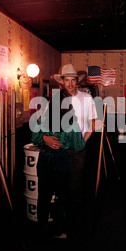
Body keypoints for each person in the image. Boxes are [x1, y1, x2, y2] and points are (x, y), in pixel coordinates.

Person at [32, 88, 86, 238]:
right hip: (62, 160)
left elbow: (34, 138)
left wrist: (44, 139)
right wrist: (87, 134)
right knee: (62, 197)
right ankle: (59, 230)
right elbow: (78, 146)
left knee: (43, 196)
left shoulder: (43, 118)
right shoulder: (72, 121)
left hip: (45, 159)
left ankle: (41, 229)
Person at [52, 64, 97, 240]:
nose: (70, 84)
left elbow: (94, 122)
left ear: (77, 81)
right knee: (60, 190)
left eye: (73, 80)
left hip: (78, 150)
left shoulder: (87, 98)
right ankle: (59, 228)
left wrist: (83, 141)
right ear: (62, 82)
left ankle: (75, 229)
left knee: (76, 189)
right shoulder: (56, 100)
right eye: (67, 80)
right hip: (60, 150)